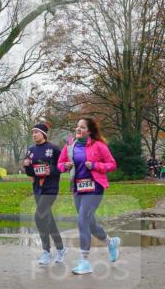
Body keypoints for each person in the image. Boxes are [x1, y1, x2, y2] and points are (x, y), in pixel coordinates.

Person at [56, 117, 120, 275]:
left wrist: (96, 165)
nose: (78, 129)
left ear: (89, 131)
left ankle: (84, 261)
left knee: (82, 219)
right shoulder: (70, 146)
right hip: (78, 188)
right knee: (89, 223)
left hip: (95, 187)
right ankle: (110, 242)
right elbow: (59, 164)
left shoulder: (99, 145)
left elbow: (112, 164)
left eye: (82, 127)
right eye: (77, 126)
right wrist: (65, 166)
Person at [22, 122, 66, 266]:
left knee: (39, 216)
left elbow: (61, 167)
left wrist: (51, 171)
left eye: (36, 132)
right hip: (37, 188)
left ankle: (46, 251)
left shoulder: (53, 149)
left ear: (44, 134)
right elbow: (30, 172)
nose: (34, 134)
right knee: (48, 219)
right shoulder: (31, 150)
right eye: (32, 132)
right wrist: (26, 167)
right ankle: (61, 248)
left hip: (50, 188)